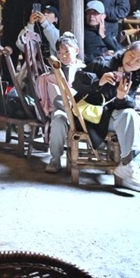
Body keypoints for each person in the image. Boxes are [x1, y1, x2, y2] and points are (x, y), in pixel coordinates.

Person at [68, 40, 140, 193]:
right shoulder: (103, 63)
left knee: (130, 114)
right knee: (130, 118)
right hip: (88, 118)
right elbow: (76, 83)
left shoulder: (135, 77)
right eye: (131, 55)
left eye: (138, 61)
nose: (132, 62)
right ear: (125, 51)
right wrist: (98, 82)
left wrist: (121, 97)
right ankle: (130, 166)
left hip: (108, 118)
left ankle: (127, 165)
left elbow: (128, 105)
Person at [36, 33, 85, 174]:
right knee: (58, 119)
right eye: (59, 52)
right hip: (62, 109)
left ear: (76, 51)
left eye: (67, 52)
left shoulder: (84, 69)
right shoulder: (55, 71)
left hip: (81, 110)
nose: (63, 56)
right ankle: (55, 159)